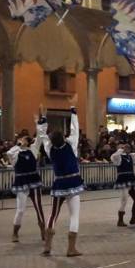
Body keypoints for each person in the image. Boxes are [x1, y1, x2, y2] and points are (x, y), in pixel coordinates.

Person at [39, 95, 83, 257]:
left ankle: (47, 246)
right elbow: (75, 129)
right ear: (63, 137)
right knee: (74, 215)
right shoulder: (71, 144)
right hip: (73, 182)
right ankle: (71, 248)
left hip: (59, 184)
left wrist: (43, 118)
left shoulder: (50, 149)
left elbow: (43, 136)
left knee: (53, 215)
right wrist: (73, 109)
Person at [6, 121, 46, 243]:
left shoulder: (33, 150)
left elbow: (40, 137)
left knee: (39, 207)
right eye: (21, 138)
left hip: (33, 181)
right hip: (21, 182)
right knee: (21, 209)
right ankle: (15, 232)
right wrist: (18, 145)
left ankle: (43, 231)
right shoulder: (16, 153)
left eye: (25, 138)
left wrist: (40, 122)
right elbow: (9, 153)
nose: (23, 139)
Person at [110, 141, 135, 227]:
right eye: (125, 147)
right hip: (123, 180)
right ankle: (120, 220)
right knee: (124, 200)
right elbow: (113, 157)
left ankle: (133, 218)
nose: (127, 148)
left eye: (128, 147)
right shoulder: (118, 157)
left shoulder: (131, 156)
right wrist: (121, 150)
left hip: (131, 179)